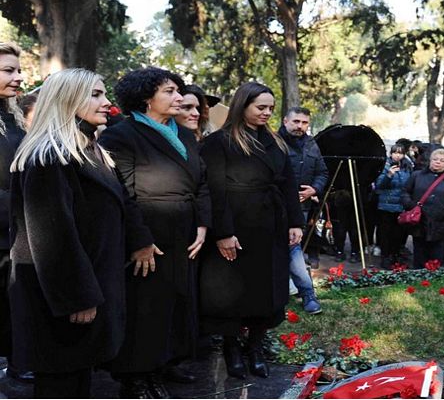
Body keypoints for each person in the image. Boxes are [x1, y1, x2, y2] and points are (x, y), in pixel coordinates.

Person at [7, 69, 128, 398]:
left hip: (86, 288)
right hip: (61, 299)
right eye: (96, 94)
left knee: (76, 380)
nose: (106, 103)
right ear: (67, 99)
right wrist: (78, 296)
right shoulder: (49, 156)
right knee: (60, 385)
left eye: (104, 94)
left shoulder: (87, 149)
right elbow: (52, 237)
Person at [99, 68, 211, 398]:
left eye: (178, 91)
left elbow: (201, 182)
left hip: (185, 234)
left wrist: (203, 224)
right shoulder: (121, 135)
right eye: (170, 92)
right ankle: (135, 376)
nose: (180, 98)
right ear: (147, 98)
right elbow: (122, 192)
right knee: (144, 307)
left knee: (177, 302)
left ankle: (164, 364)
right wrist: (140, 241)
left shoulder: (185, 135)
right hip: (149, 234)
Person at [199, 82, 304, 380]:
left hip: (270, 225)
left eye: (271, 108)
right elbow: (215, 190)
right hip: (237, 226)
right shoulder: (219, 142)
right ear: (242, 105)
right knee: (232, 292)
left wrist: (295, 222)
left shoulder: (276, 142)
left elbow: (287, 183)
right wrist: (223, 232)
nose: (267, 113)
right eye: (261, 107)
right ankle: (232, 348)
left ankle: (255, 346)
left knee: (267, 289)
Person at [0, 43, 31, 384]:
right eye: (9, 70)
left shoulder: (12, 116)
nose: (19, 77)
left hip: (15, 236)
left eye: (18, 70)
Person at [277, 106, 326, 313]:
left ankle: (306, 295)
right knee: (288, 251)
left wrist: (314, 189)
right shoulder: (273, 143)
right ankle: (304, 294)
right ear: (285, 121)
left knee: (293, 248)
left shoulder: (312, 144)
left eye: (304, 122)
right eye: (296, 121)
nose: (300, 126)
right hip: (275, 207)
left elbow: (323, 172)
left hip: (302, 209)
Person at [400, 149, 444, 268]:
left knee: (437, 255)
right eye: (435, 159)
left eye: (442, 161)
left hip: (440, 222)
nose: (437, 162)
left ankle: (436, 280)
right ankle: (418, 278)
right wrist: (410, 204)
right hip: (419, 221)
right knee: (419, 253)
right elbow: (405, 192)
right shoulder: (416, 175)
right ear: (430, 161)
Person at [375, 144, 413, 269]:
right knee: (386, 233)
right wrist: (389, 175)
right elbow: (379, 185)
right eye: (395, 152)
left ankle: (395, 255)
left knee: (399, 234)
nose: (397, 155)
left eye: (400, 153)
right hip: (386, 205)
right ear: (390, 153)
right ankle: (385, 257)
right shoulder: (384, 165)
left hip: (401, 206)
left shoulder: (407, 166)